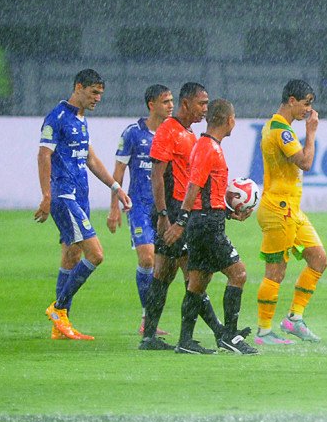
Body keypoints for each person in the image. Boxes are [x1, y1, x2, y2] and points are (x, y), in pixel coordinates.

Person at [35, 68, 132, 340]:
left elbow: (90, 159)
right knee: (96, 255)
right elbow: (43, 155)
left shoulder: (80, 119)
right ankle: (59, 308)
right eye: (94, 92)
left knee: (72, 255)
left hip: (80, 195)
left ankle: (60, 327)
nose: (98, 98)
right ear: (79, 87)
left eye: (101, 93)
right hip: (64, 196)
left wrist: (115, 187)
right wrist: (46, 195)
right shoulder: (57, 117)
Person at [163, 99, 258, 355]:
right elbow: (193, 187)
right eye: (234, 118)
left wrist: (228, 213)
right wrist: (181, 220)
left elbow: (206, 192)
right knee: (238, 274)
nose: (234, 122)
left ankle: (185, 341)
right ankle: (230, 336)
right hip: (206, 225)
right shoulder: (208, 148)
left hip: (204, 220)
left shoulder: (205, 145)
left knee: (197, 283)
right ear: (228, 120)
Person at [138, 82, 227, 351]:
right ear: (185, 103)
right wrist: (164, 214)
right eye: (201, 103)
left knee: (164, 274)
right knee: (195, 276)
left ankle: (150, 337)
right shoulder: (168, 131)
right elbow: (156, 175)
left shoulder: (189, 134)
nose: (205, 109)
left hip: (180, 211)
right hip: (173, 212)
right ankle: (214, 334)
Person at [255, 79, 326, 345]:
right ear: (292, 100)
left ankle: (294, 319)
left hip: (291, 209)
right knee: (275, 272)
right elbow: (306, 162)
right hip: (278, 209)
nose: (308, 110)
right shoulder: (281, 131)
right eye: (306, 104)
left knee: (318, 259)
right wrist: (312, 132)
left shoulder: (275, 126)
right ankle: (263, 331)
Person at [107, 84, 173, 336]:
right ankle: (147, 318)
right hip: (139, 207)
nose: (170, 105)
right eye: (165, 101)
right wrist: (115, 207)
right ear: (151, 105)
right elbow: (118, 173)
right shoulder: (133, 134)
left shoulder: (174, 132)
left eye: (171, 101)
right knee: (147, 258)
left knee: (163, 266)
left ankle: (152, 319)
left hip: (165, 208)